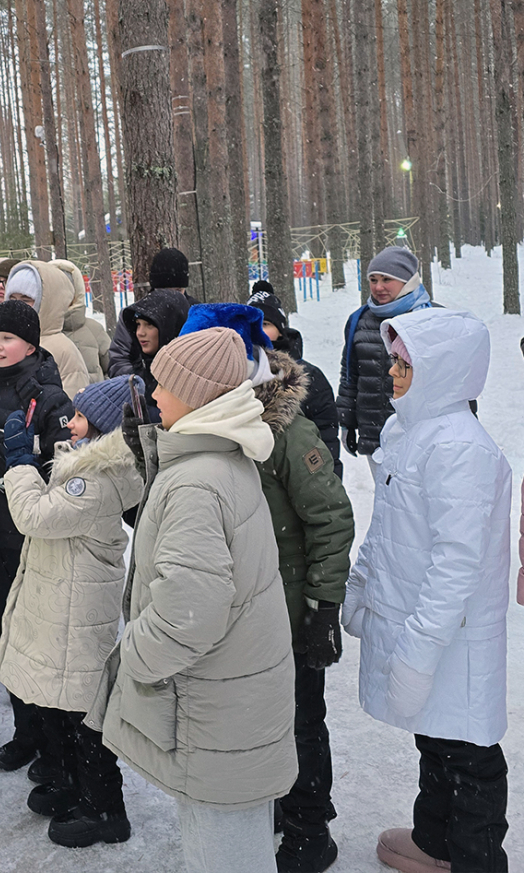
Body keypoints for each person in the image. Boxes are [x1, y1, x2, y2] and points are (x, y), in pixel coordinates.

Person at [95, 327, 298, 873]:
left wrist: (131, 655)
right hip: (236, 700)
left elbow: (189, 615)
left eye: (163, 384)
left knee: (225, 853)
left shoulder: (196, 482)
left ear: (198, 395)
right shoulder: (221, 457)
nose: (154, 394)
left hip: (217, 709)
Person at [180, 303, 355, 872]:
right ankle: (272, 810)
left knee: (299, 722)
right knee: (254, 723)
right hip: (237, 615)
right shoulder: (204, 425)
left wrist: (323, 608)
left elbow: (329, 516)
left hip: (286, 612)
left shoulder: (284, 429)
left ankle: (310, 825)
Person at [342, 309, 511, 873]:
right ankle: (436, 844)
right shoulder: (406, 430)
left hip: (451, 635)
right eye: (392, 360)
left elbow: (456, 566)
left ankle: (475, 859)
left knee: (468, 754)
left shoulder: (461, 449)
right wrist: (362, 586)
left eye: (405, 364)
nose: (391, 372)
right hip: (421, 623)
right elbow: (387, 524)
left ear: (442, 370)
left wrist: (417, 652)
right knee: (434, 740)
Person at [0, 376, 143, 848]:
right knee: (57, 699)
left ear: (101, 428)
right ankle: (68, 782)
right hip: (64, 599)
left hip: (76, 608)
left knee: (82, 710)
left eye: (79, 417)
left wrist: (18, 463)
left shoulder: (94, 479)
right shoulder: (88, 467)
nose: (69, 423)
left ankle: (104, 809)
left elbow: (35, 516)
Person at [0, 300, 73, 774]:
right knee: (6, 633)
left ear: (30, 344)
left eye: (7, 338)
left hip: (34, 538)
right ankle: (26, 731)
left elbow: (65, 470)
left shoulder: (48, 397)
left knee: (40, 640)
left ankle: (56, 743)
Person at [337, 246, 434, 474]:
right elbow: (350, 376)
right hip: (375, 434)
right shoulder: (358, 321)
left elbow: (452, 379)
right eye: (373, 279)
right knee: (386, 502)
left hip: (422, 434)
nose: (378, 287)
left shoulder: (431, 318)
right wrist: (347, 422)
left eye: (386, 279)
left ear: (407, 281)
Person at [247, 281, 341, 476]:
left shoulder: (310, 376)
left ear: (281, 329)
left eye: (265, 324)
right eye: (252, 325)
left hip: (300, 476)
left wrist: (327, 477)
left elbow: (326, 434)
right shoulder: (237, 371)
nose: (258, 331)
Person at [2, 261, 89, 397]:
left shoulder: (64, 351)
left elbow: (73, 407)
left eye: (26, 300)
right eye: (12, 299)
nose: (17, 306)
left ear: (45, 303)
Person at [109, 247, 195, 376]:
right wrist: (143, 381)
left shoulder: (197, 313)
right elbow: (118, 362)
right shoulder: (133, 314)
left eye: (177, 291)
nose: (170, 298)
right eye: (163, 291)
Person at [109, 289, 191, 421]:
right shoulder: (140, 372)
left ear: (169, 326)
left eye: (149, 325)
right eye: (138, 325)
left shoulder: (188, 375)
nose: (140, 332)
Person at [54, 259, 111, 384]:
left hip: (93, 401)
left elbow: (114, 368)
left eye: (66, 289)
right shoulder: (35, 333)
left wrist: (102, 390)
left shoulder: (94, 330)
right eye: (53, 290)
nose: (60, 296)